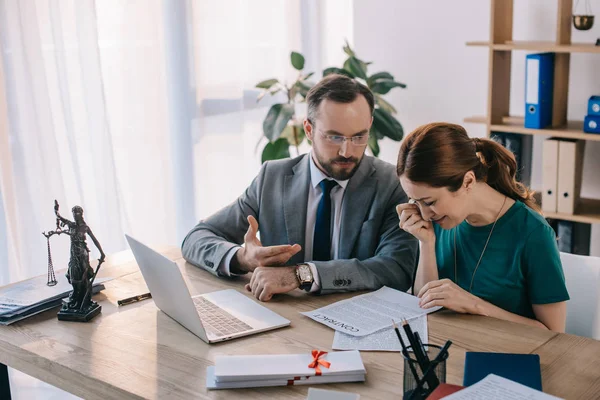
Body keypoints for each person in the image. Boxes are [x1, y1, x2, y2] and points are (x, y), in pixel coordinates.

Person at [182, 74, 418, 301]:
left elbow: (397, 268)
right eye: (334, 137)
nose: (347, 151)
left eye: (358, 137)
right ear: (309, 130)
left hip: (357, 323)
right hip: (286, 321)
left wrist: (301, 275)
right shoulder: (272, 178)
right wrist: (243, 258)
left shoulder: (390, 183)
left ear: (369, 126)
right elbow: (196, 238)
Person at [396, 122, 569, 332]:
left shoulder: (533, 233)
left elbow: (554, 334)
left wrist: (475, 305)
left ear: (467, 181)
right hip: (449, 347)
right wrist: (426, 243)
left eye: (430, 202)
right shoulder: (439, 221)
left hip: (506, 356)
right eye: (416, 202)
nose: (424, 214)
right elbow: (425, 306)